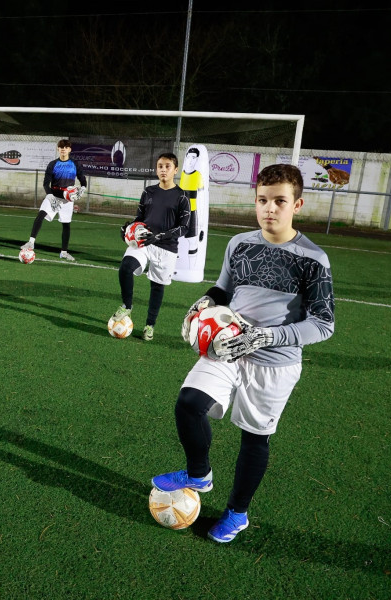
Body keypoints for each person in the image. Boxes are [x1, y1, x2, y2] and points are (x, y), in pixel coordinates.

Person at [151, 163, 335, 544]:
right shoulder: (240, 244)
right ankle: (199, 473)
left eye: (280, 201)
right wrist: (201, 303)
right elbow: (223, 289)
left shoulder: (313, 259)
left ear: (297, 205)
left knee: (254, 438)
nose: (270, 209)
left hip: (275, 363)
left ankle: (237, 514)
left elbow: (323, 324)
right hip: (227, 346)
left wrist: (266, 337)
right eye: (263, 200)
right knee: (188, 403)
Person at [114, 152, 191, 341]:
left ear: (175, 170)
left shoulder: (182, 197)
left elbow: (184, 228)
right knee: (126, 267)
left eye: (167, 166)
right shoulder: (148, 192)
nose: (163, 170)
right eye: (160, 166)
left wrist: (159, 236)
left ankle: (149, 326)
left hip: (167, 248)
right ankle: (127, 307)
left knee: (157, 286)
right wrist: (128, 229)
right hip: (143, 242)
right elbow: (139, 219)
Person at [20, 139, 87, 261]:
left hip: (67, 199)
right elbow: (46, 183)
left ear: (69, 150)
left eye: (66, 147)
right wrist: (50, 196)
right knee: (40, 215)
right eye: (61, 147)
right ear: (58, 149)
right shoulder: (52, 164)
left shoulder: (75, 164)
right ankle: (31, 242)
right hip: (53, 196)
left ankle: (64, 252)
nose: (63, 149)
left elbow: (83, 180)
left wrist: (83, 189)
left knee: (66, 224)